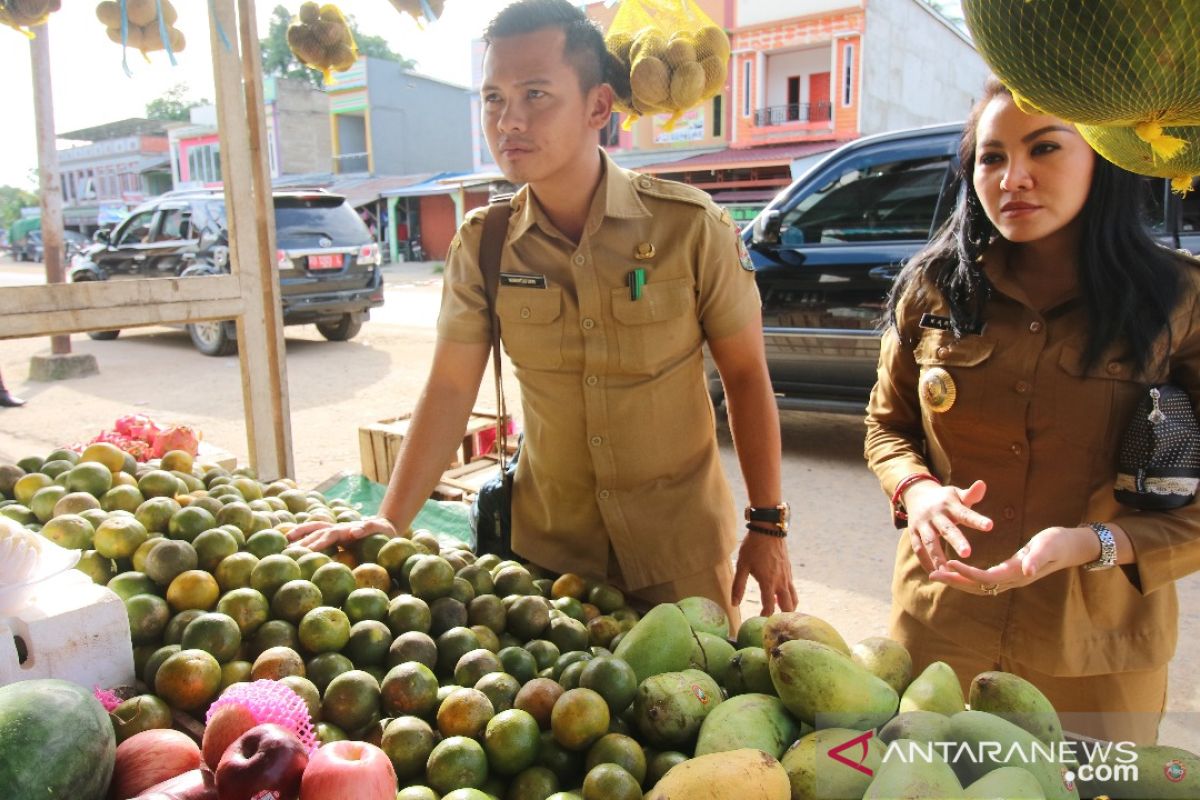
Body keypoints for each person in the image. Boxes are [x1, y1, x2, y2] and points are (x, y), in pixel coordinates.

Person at [290, 0, 796, 623]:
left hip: (680, 556)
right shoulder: (484, 244)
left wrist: (767, 525)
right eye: (494, 98)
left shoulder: (691, 228)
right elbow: (450, 387)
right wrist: (389, 520)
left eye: (535, 94)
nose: (509, 120)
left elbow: (746, 377)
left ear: (598, 107)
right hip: (549, 565)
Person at [864, 77, 1200, 744]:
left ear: (1103, 159)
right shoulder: (933, 290)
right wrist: (918, 491)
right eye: (991, 157)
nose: (1013, 177)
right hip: (940, 630)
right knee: (930, 783)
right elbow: (888, 426)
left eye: (1044, 148)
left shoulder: (1178, 300)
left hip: (1096, 651)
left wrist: (1094, 543)